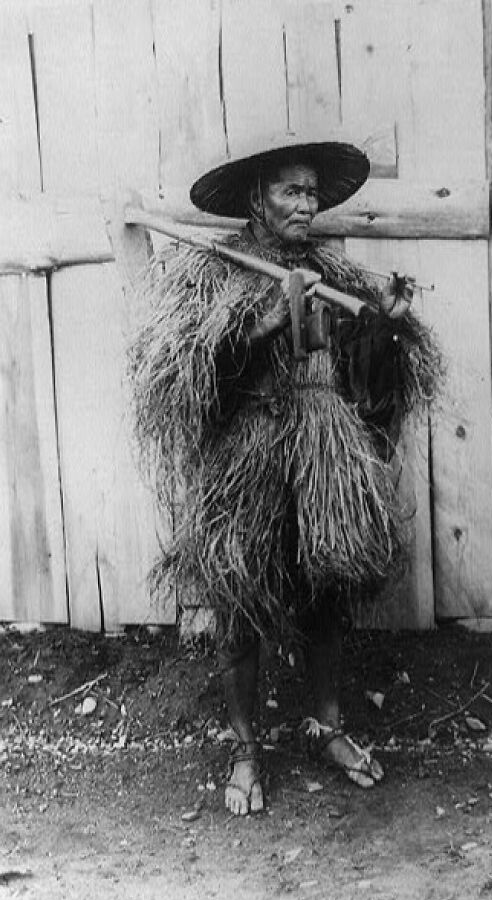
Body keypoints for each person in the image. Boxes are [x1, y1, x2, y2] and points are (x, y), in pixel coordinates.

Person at [129, 135, 443, 816]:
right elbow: (186, 388)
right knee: (242, 600)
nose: (305, 205)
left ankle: (327, 727)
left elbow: (379, 384)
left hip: (323, 458)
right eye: (289, 192)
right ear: (255, 198)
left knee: (326, 591)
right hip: (251, 456)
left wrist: (388, 328)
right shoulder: (215, 274)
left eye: (310, 193)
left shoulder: (336, 272)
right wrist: (262, 325)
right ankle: (246, 749)